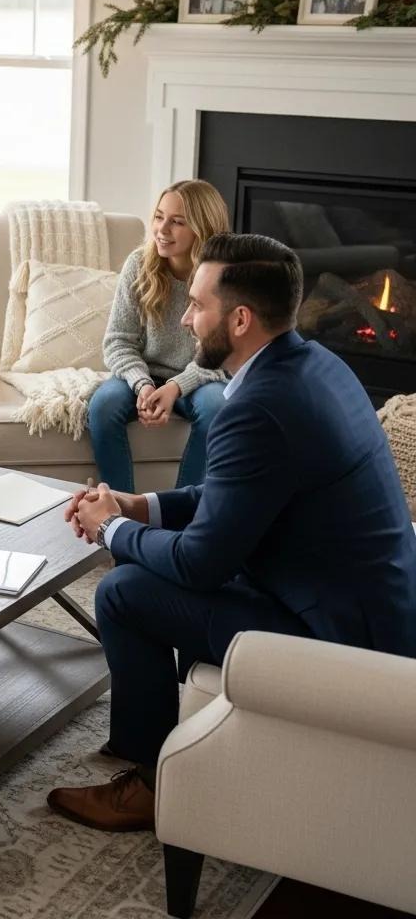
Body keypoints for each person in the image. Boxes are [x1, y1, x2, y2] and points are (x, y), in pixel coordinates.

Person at [49, 233, 416, 832]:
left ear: (240, 319)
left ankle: (150, 783)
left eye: (197, 304)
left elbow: (200, 565)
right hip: (370, 605)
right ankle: (169, 734)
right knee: (151, 566)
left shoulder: (256, 409)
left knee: (123, 592)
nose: (188, 319)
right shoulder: (316, 364)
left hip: (340, 640)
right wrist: (141, 507)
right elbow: (233, 498)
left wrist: (110, 528)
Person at [88, 179, 230, 493]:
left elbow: (221, 354)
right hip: (144, 374)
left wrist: (176, 388)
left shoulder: (223, 277)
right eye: (159, 217)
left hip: (201, 378)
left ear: (202, 229)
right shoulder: (139, 264)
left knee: (218, 406)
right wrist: (142, 384)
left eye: (177, 222)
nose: (162, 229)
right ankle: (119, 507)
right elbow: (118, 341)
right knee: (103, 405)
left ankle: (182, 513)